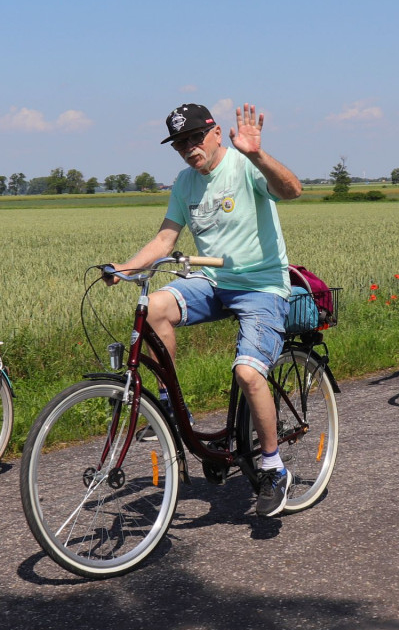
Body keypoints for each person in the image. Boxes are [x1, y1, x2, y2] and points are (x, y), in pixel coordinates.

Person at [109, 102, 302, 517]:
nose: (189, 148)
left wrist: (256, 154)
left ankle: (273, 467)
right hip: (214, 283)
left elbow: (293, 190)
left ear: (215, 133)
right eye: (180, 143)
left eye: (195, 137)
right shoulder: (184, 183)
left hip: (261, 286)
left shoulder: (244, 166)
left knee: (248, 373)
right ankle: (171, 408)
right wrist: (124, 268)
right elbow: (165, 241)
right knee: (156, 305)